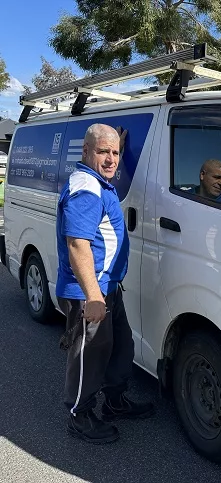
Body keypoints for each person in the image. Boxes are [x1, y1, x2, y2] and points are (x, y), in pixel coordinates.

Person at [56, 123, 154, 444]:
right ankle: (79, 415)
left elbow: (110, 163)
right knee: (90, 354)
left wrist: (116, 147)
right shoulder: (86, 188)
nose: (111, 158)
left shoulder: (101, 180)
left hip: (108, 287)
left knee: (121, 345)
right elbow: (77, 245)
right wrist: (93, 295)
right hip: (90, 293)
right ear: (86, 152)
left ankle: (114, 402)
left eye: (115, 152)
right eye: (103, 151)